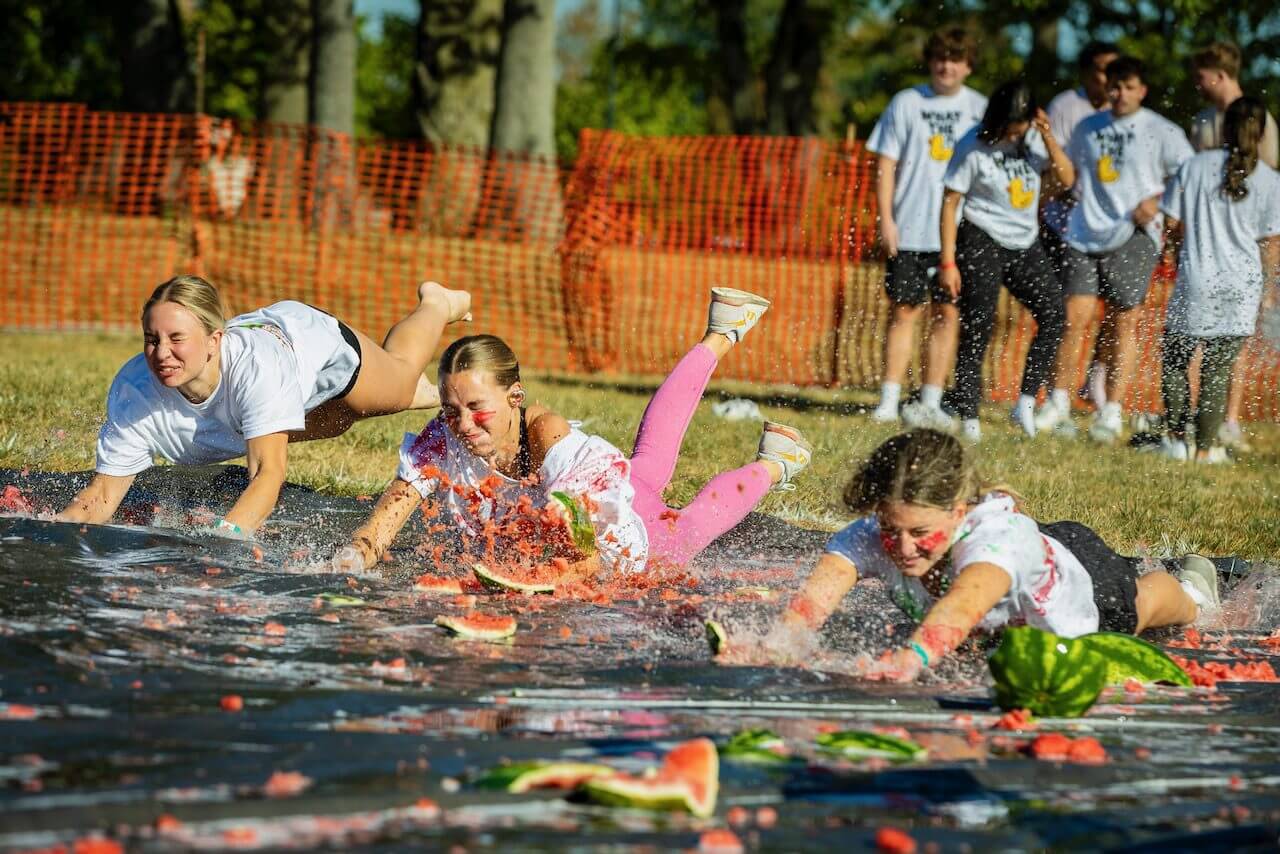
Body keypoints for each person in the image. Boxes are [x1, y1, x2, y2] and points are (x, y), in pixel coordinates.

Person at [336, 288, 813, 576]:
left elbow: (584, 558)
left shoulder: (547, 433)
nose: (462, 425)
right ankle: (721, 332)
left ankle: (777, 459)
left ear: (514, 397)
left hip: (624, 534)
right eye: (450, 408)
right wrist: (356, 555)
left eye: (477, 408)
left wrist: (532, 586)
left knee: (689, 528)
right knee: (649, 463)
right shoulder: (442, 436)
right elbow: (381, 525)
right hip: (608, 495)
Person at [741, 429, 1218, 680]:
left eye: (920, 533)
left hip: (1086, 583)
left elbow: (964, 603)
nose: (903, 548)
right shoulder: (873, 534)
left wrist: (910, 660)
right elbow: (810, 605)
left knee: (1142, 604)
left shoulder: (994, 546)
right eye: (891, 529)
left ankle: (1195, 587)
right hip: (1014, 590)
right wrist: (773, 645)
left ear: (959, 511)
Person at [58, 275, 472, 535]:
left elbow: (267, 476)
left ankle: (436, 303)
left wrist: (223, 544)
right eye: (152, 339)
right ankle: (420, 393)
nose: (161, 353)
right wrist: (55, 533)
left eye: (176, 339)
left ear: (214, 340)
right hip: (265, 391)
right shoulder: (134, 389)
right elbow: (104, 492)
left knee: (394, 389)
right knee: (338, 421)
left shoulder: (256, 370)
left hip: (313, 347)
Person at [1034, 56, 1193, 445]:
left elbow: (1189, 175)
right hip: (1083, 232)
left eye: (1128, 86)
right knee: (1074, 318)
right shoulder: (1088, 127)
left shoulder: (1162, 130)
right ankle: (1058, 403)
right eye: (1114, 86)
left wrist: (1158, 202)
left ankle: (1112, 411)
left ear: (1143, 90)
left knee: (1124, 321)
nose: (1119, 93)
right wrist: (1050, 144)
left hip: (1136, 235)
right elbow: (1068, 175)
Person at [866, 27, 987, 429]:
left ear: (968, 65)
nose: (946, 65)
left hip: (959, 232)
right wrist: (887, 219)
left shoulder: (981, 108)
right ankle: (889, 399)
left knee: (947, 315)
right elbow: (884, 164)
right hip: (911, 227)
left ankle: (932, 401)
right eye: (939, 57)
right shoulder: (906, 102)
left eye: (955, 58)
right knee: (903, 311)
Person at [939, 81, 1073, 442]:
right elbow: (951, 201)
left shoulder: (1034, 140)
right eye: (1011, 125)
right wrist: (948, 262)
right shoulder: (973, 144)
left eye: (1022, 124)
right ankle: (968, 416)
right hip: (980, 235)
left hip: (1024, 241)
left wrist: (1046, 135)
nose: (1015, 131)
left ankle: (1025, 404)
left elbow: (1066, 179)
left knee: (1055, 314)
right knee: (979, 323)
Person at [1156, 97, 1280, 464]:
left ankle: (1178, 441)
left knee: (1176, 360)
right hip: (1241, 285)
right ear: (1260, 133)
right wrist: (1268, 289)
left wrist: (1177, 247)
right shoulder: (1271, 180)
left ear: (1224, 127)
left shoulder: (1194, 166)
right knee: (1217, 369)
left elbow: (1171, 224)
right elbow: (1271, 245)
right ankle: (1207, 450)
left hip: (1197, 277)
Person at [1187, 43, 1280, 452]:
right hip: (1203, 247)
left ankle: (1229, 419)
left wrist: (1267, 275)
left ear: (1220, 74)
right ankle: (1194, 418)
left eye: (1201, 74)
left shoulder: (1262, 121)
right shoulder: (1204, 120)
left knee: (1232, 341)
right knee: (1194, 338)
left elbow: (1266, 197)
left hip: (1241, 249)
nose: (1196, 82)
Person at [1041, 41, 1120, 418]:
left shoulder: (1126, 112)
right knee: (1071, 314)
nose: (1110, 79)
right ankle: (1054, 392)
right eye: (1104, 70)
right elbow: (1053, 169)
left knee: (1117, 312)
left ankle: (1096, 380)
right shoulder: (1066, 107)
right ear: (1089, 72)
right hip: (1066, 227)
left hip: (1113, 230)